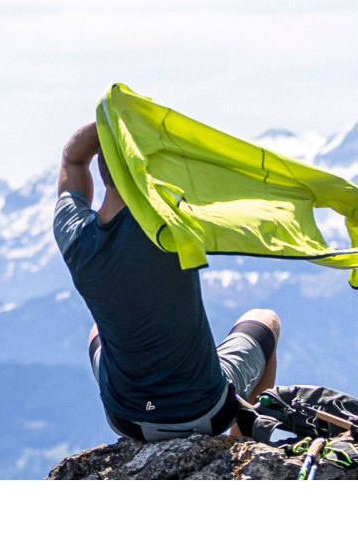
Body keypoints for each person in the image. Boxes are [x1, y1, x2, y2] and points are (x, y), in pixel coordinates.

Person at [53, 121, 281, 441]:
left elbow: (73, 160)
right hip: (207, 413)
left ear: (103, 175)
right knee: (265, 320)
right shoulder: (175, 226)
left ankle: (144, 401)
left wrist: (107, 122)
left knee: (97, 331)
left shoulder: (74, 236)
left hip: (129, 419)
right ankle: (242, 443)